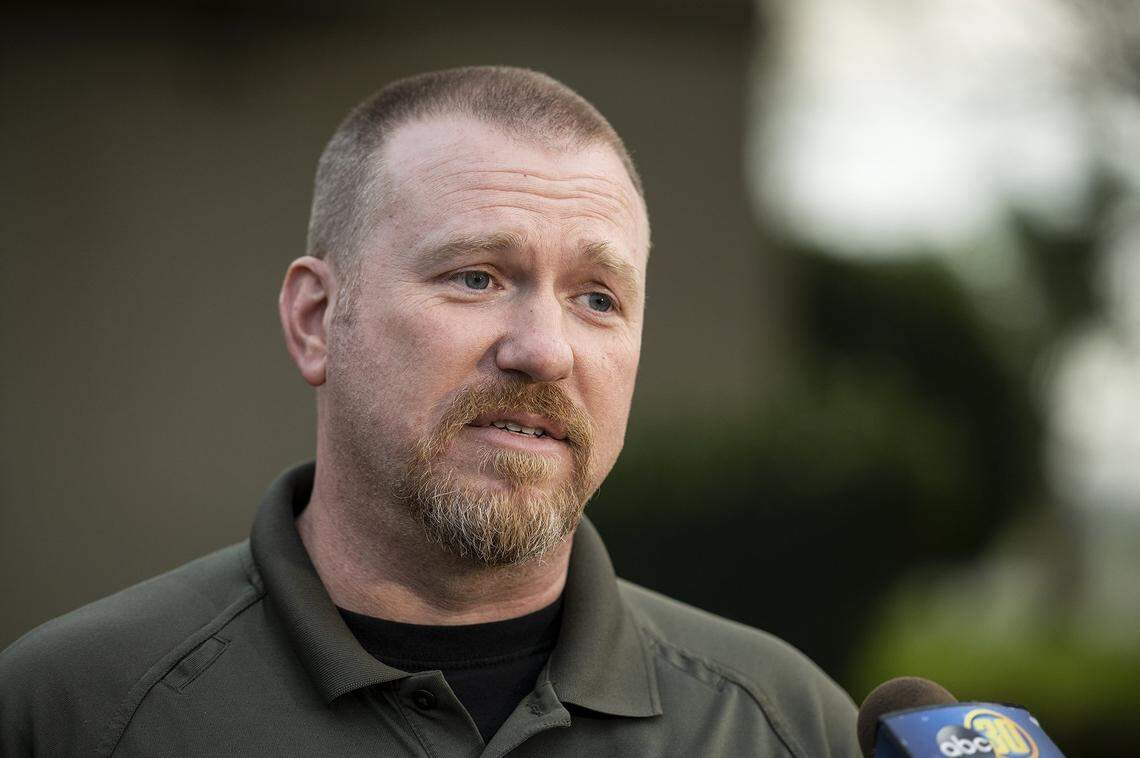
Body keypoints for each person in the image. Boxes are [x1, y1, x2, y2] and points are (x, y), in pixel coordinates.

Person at [0, 66, 859, 757]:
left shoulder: (784, 726)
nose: (545, 349)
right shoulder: (75, 712)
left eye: (597, 298)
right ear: (315, 321)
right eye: (477, 277)